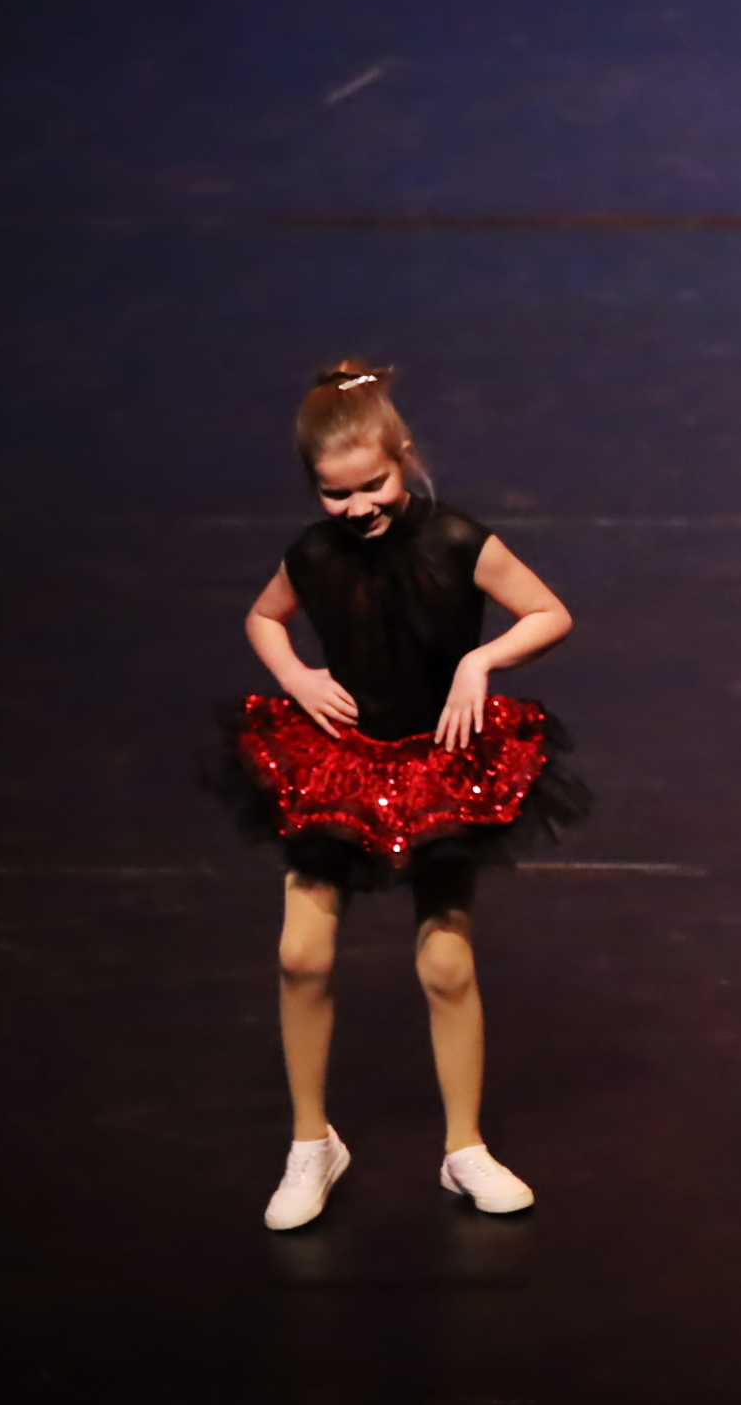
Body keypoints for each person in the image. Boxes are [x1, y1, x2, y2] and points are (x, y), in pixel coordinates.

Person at [209, 362, 586, 1230]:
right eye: (335, 494)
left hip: (437, 765)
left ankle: (464, 1149)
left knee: (446, 962)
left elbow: (548, 612)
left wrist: (481, 661)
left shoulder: (455, 539)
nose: (358, 508)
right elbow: (264, 616)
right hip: (341, 763)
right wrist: (296, 677)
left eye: (372, 485)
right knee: (301, 954)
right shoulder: (313, 554)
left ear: (403, 457)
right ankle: (313, 1142)